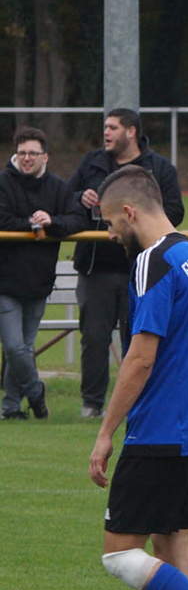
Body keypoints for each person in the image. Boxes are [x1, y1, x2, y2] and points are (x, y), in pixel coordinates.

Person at [87, 165, 188, 590]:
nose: (108, 233)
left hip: (162, 430)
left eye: (108, 222)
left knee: (120, 555)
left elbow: (140, 358)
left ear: (129, 212)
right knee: (175, 550)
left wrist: (105, 433)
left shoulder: (154, 261)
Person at [71, 108, 184, 418]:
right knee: (94, 337)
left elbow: (173, 211)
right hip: (97, 268)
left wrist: (136, 228)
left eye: (113, 127)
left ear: (131, 131)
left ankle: (139, 400)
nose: (106, 132)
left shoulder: (158, 168)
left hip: (142, 269)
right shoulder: (92, 163)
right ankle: (92, 404)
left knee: (137, 337)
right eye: (105, 127)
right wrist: (81, 198)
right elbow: (66, 199)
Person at [0, 127, 86, 419]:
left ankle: (11, 407)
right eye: (21, 152)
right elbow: (3, 219)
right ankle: (36, 393)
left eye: (32, 153)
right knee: (14, 346)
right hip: (5, 279)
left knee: (23, 347)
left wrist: (53, 221)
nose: (26, 158)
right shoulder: (3, 183)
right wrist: (31, 224)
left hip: (39, 280)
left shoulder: (59, 188)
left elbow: (77, 219)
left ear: (45, 156)